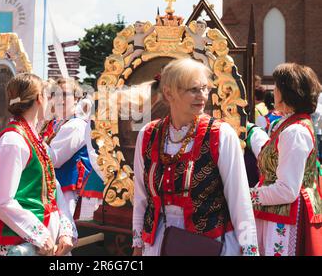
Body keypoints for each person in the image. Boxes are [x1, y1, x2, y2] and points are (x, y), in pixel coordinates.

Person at [132, 58, 258, 256]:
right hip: (157, 244)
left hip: (209, 244)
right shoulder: (149, 134)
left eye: (205, 88)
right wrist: (138, 245)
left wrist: (250, 250)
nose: (203, 96)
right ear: (168, 93)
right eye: (193, 89)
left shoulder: (220, 134)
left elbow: (239, 200)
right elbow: (141, 197)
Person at [0, 73, 77, 256]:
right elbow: (1, 201)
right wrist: (39, 234)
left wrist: (65, 231)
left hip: (44, 241)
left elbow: (53, 189)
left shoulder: (35, 139)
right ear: (40, 99)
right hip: (19, 242)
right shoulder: (13, 141)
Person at [246, 63, 322, 256]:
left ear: (287, 92)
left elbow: (287, 190)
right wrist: (251, 130)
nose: (275, 90)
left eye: (278, 86)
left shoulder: (295, 131)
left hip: (286, 218)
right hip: (276, 213)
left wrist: (246, 196)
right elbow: (269, 153)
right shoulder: (290, 124)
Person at [47, 77, 103, 217]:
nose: (60, 99)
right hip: (56, 187)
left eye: (65, 94)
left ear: (77, 98)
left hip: (68, 191)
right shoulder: (55, 123)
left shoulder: (76, 125)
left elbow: (53, 159)